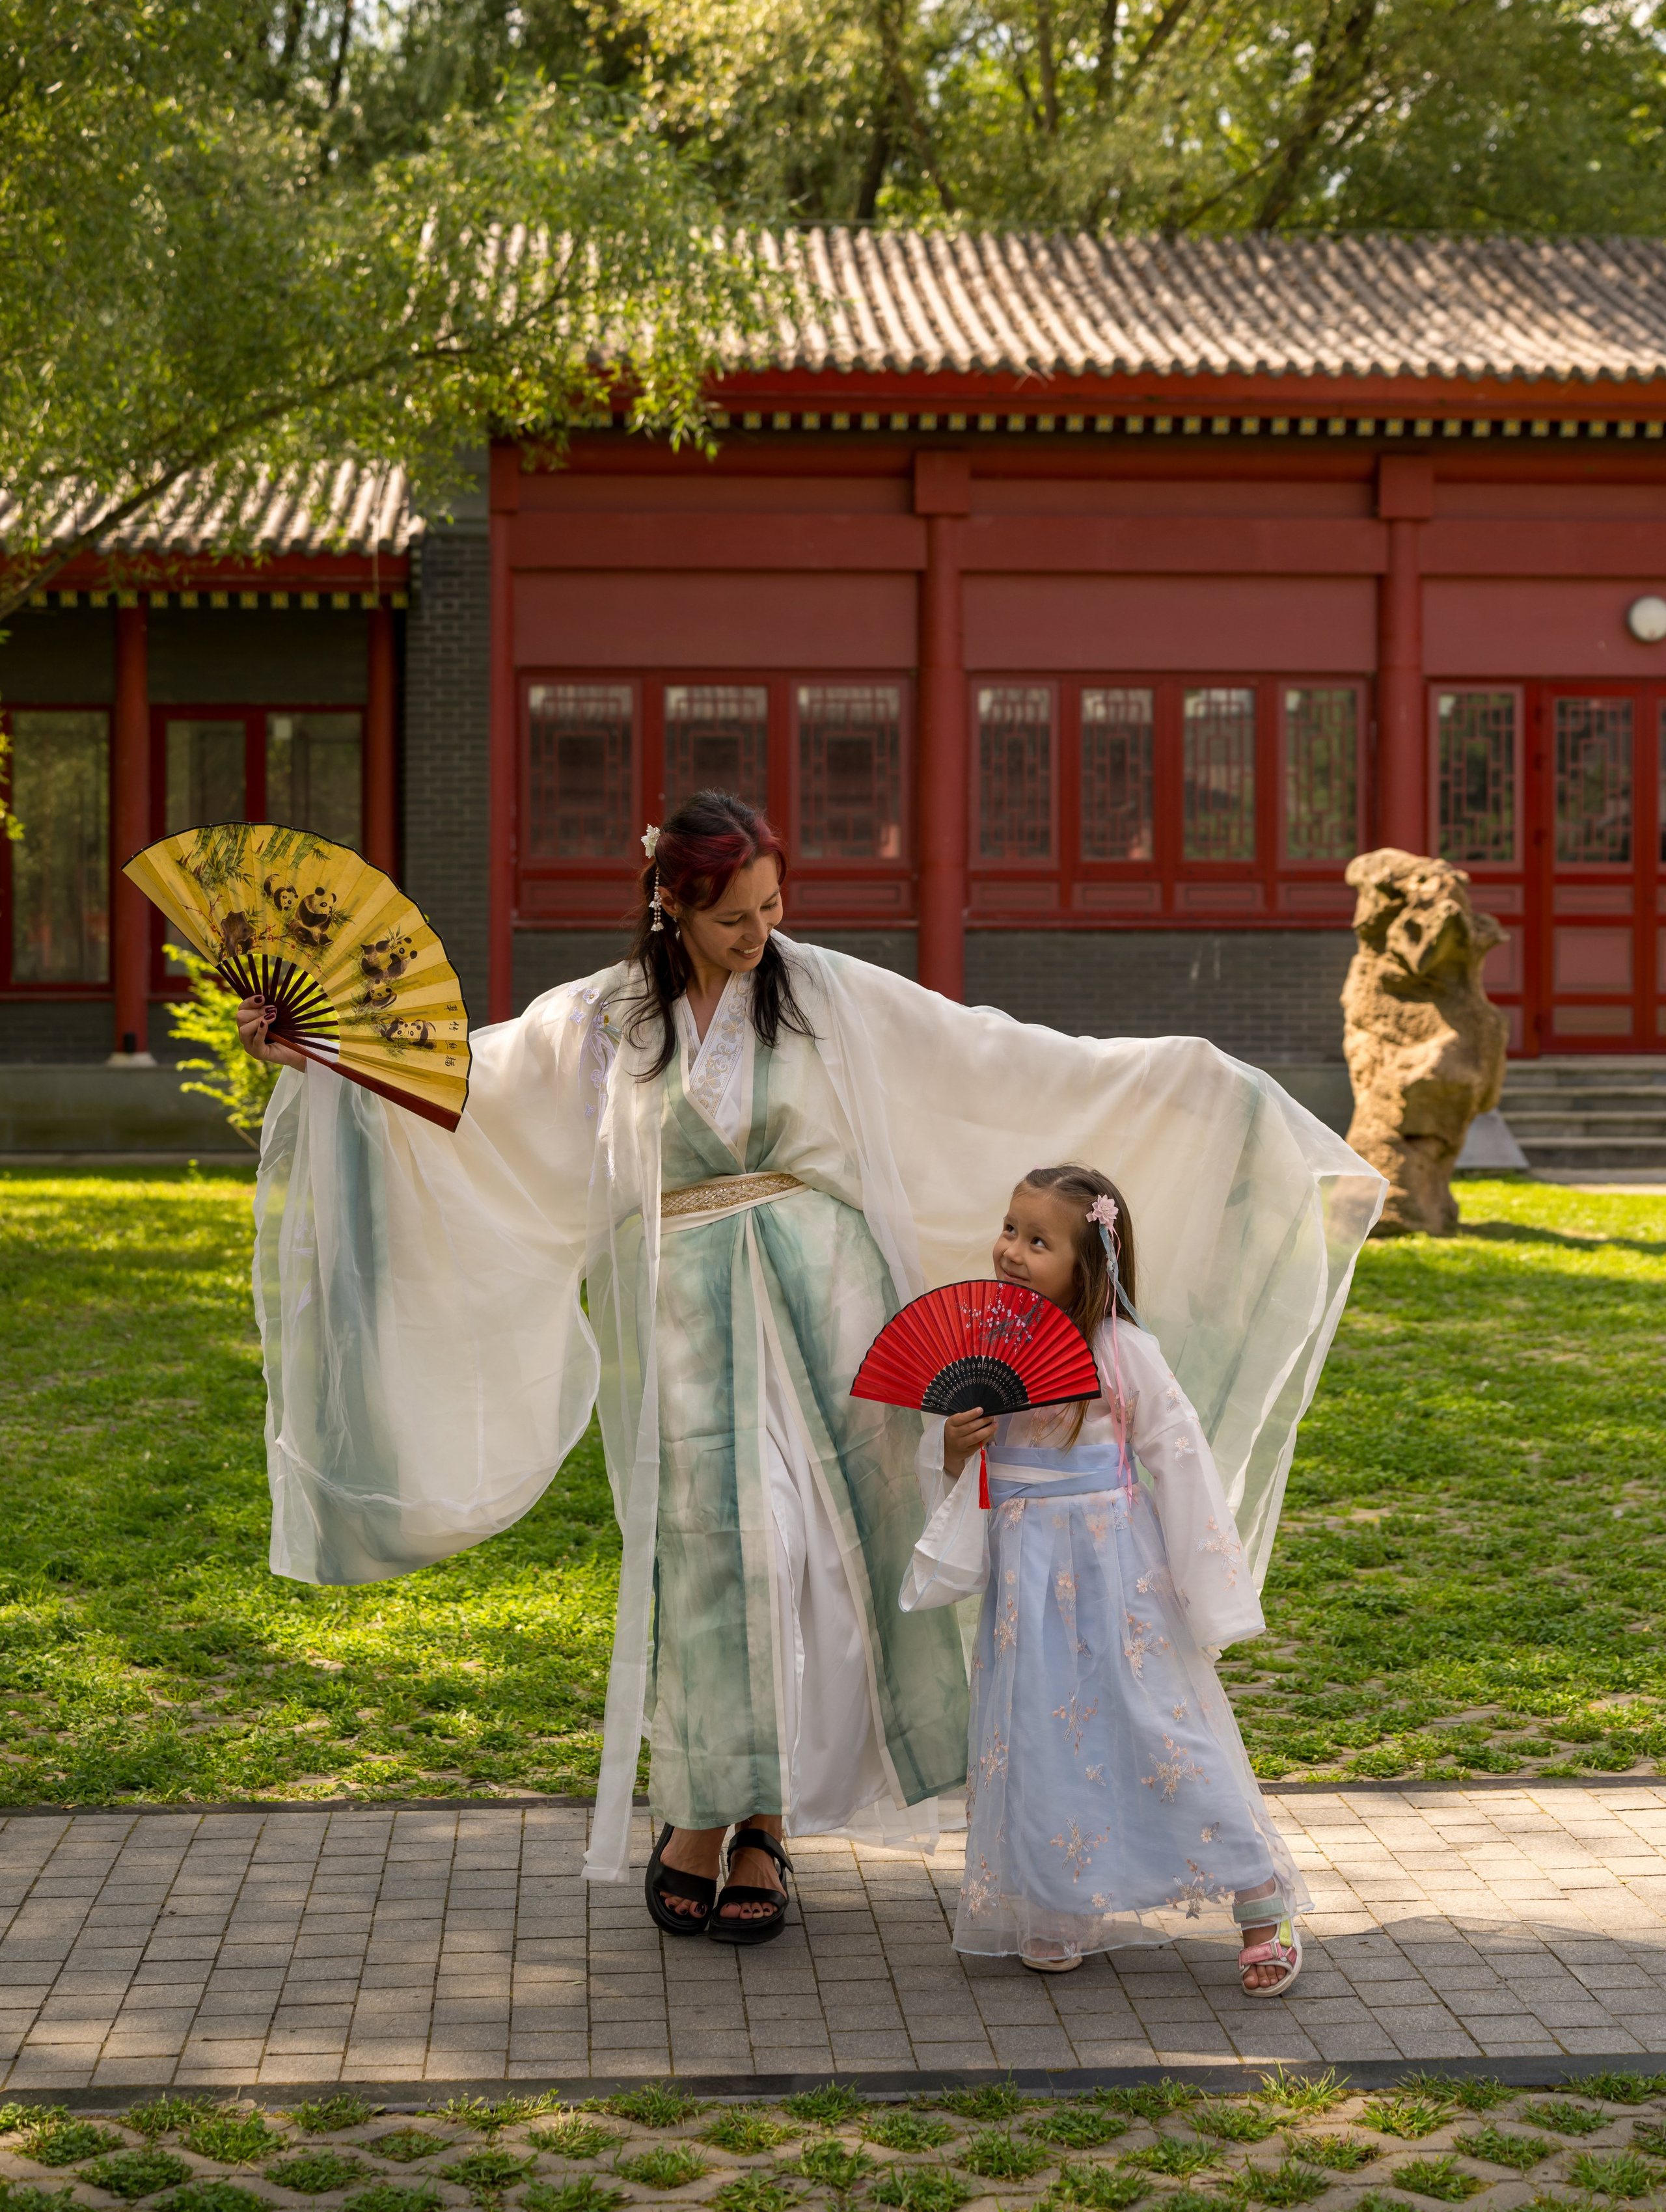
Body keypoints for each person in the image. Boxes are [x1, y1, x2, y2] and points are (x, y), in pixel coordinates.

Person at [238, 788, 1380, 1945]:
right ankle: (699, 1808)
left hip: (825, 1302)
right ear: (671, 905)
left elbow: (984, 1055)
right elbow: (476, 1087)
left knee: (808, 1559)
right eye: (734, 915)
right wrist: (329, 1055)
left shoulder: (821, 992)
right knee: (713, 1557)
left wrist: (1176, 1075)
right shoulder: (605, 1020)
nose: (759, 933)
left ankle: (768, 1821)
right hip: (683, 1308)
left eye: (773, 906)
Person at [901, 1165, 1306, 1992]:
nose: (1012, 1251)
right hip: (1026, 1573)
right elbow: (957, 1477)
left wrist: (1208, 1591)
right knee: (1043, 1731)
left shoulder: (1124, 1353)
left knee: (1160, 1724)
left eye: (1039, 1240)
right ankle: (1057, 1902)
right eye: (1010, 1229)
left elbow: (1180, 1462)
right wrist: (952, 1450)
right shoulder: (988, 1348)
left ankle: (1261, 1900)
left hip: (1116, 1572)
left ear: (1089, 1266)